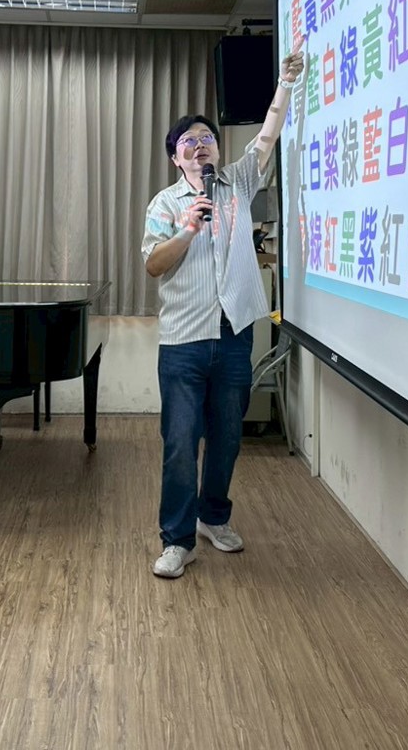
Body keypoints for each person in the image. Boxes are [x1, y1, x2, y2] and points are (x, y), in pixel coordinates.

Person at [140, 49, 305, 578]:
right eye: (189, 141)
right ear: (176, 157)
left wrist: (284, 83)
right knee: (180, 443)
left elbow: (268, 135)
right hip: (182, 341)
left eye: (207, 138)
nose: (200, 144)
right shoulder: (165, 205)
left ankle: (214, 517)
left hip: (234, 333)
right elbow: (154, 265)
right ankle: (176, 540)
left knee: (228, 438)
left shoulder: (237, 183)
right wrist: (188, 228)